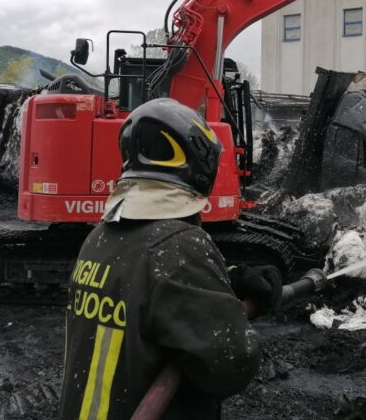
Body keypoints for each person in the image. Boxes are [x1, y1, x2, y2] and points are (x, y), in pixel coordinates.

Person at [59, 98, 280, 420]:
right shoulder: (180, 246)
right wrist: (227, 313)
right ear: (200, 163)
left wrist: (225, 282)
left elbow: (142, 293)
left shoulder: (100, 238)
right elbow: (229, 366)